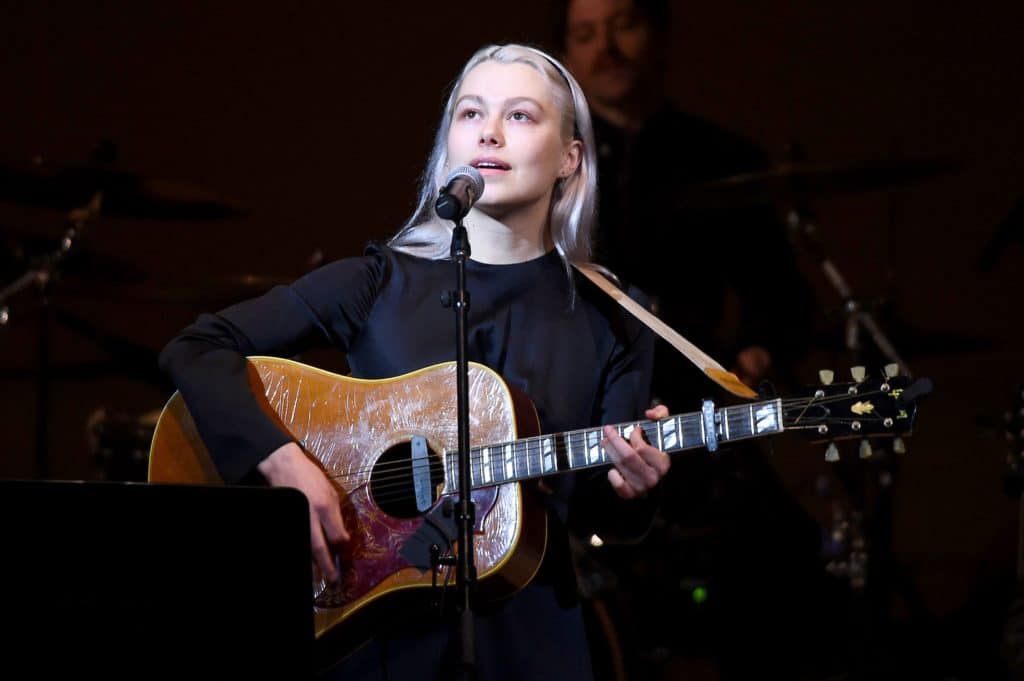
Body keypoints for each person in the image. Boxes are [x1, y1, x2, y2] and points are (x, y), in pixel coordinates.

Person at [158, 43, 672, 681]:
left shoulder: (618, 316)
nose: (488, 130)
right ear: (448, 144)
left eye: (519, 116)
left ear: (570, 158)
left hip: (530, 635)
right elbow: (197, 347)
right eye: (470, 113)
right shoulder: (376, 282)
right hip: (370, 629)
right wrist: (280, 458)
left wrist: (633, 488)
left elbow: (599, 513)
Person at [551, 2, 837, 680]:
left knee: (787, 555)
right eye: (584, 35)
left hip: (693, 417)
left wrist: (758, 352)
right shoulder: (544, 169)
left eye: (624, 25)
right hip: (569, 424)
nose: (606, 49)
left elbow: (783, 300)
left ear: (661, 36)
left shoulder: (719, 158)